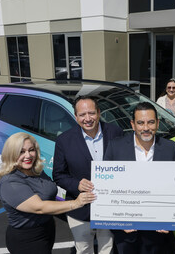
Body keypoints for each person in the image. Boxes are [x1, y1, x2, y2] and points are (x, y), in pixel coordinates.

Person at [0, 132, 96, 254]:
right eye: (21, 152)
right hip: (27, 239)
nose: (28, 155)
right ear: (11, 154)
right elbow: (40, 207)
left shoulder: (35, 171)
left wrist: (77, 184)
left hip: (46, 229)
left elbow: (51, 189)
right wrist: (76, 203)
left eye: (31, 150)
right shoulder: (10, 183)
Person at [104, 102, 175, 254]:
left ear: (158, 123)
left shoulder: (170, 148)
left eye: (151, 122)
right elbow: (107, 189)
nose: (146, 128)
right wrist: (117, 222)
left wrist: (170, 220)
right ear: (132, 124)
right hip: (126, 233)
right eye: (140, 123)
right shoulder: (115, 147)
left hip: (159, 234)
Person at [53, 95, 123, 254]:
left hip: (109, 207)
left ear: (99, 112)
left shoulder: (115, 132)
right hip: (80, 210)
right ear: (76, 116)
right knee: (84, 249)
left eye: (91, 113)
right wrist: (76, 184)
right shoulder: (64, 140)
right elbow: (58, 174)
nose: (87, 118)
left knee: (108, 248)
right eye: (82, 114)